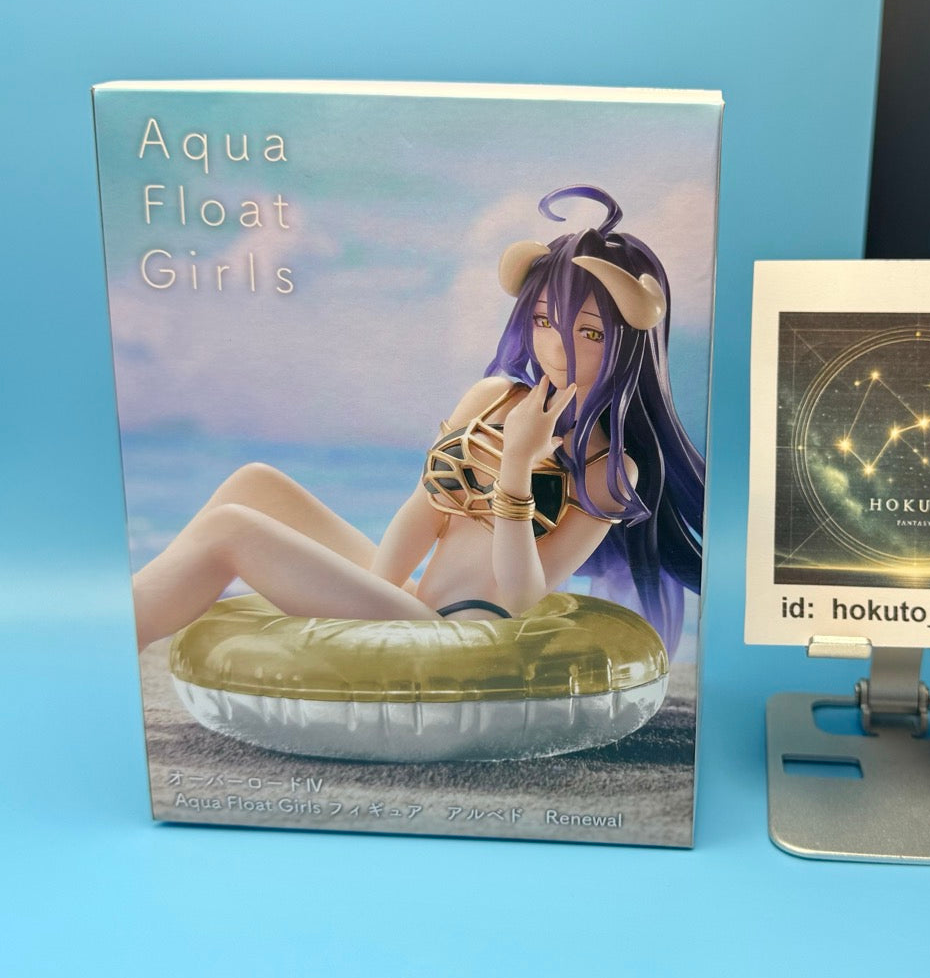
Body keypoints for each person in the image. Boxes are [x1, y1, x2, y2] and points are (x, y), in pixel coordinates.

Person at [132, 185, 705, 654]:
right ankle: (133, 624)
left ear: (627, 343)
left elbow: (522, 596)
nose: (559, 347)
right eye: (543, 321)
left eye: (591, 332)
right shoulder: (493, 398)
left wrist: (516, 464)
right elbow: (422, 511)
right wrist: (365, 594)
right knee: (254, 484)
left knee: (230, 530)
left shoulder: (609, 467)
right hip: (412, 609)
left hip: (462, 637)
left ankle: (113, 644)